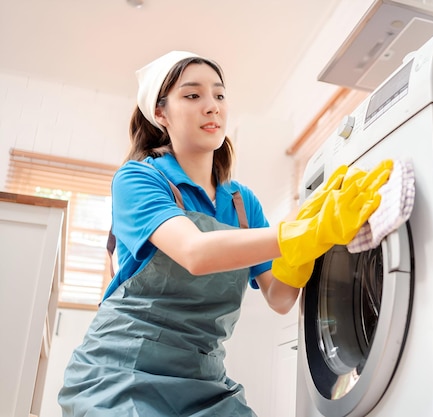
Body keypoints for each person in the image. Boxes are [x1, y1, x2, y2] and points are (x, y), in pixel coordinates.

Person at [58, 50, 391, 416]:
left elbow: (280, 298)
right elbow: (195, 252)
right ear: (160, 113)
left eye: (219, 95)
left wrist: (313, 239)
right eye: (192, 95)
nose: (211, 106)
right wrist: (301, 230)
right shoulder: (140, 178)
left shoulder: (241, 202)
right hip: (122, 373)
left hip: (204, 382)